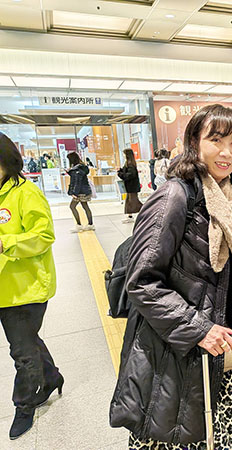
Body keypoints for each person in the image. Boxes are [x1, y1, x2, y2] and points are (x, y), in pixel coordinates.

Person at [109, 104, 232, 449]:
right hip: (174, 357)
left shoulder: (222, 197)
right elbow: (142, 281)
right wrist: (199, 328)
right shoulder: (174, 196)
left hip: (214, 355)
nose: (227, 152)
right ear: (194, 142)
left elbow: (230, 271)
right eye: (215, 140)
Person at [0, 133, 64, 440]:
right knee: (27, 341)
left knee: (22, 353)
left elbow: (44, 235)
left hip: (25, 290)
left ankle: (24, 406)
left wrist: (6, 242)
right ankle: (51, 378)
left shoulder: (26, 193)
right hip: (4, 288)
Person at [66, 152, 94, 233]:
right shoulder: (81, 167)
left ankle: (79, 225)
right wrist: (70, 172)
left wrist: (74, 193)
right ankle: (90, 224)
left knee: (72, 206)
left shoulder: (76, 170)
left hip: (79, 192)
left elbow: (77, 182)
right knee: (85, 206)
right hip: (85, 190)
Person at [117, 148, 142, 223]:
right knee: (130, 202)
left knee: (134, 202)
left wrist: (120, 174)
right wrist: (120, 170)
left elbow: (130, 175)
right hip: (131, 186)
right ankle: (130, 216)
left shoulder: (130, 164)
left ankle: (147, 211)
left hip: (132, 186)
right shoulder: (128, 163)